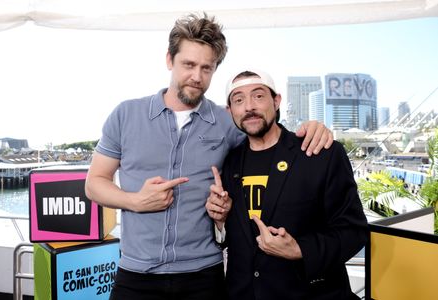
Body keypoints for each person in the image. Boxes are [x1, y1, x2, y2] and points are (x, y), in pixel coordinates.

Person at [85, 13, 333, 300]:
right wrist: (135, 201)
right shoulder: (126, 114)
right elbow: (94, 183)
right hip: (136, 275)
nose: (197, 77)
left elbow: (270, 139)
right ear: (169, 59)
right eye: (188, 64)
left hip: (204, 276)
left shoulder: (227, 121)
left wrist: (313, 128)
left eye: (207, 68)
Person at [206, 69, 368, 300]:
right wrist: (220, 222)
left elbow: (354, 231)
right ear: (230, 111)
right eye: (239, 99)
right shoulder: (229, 162)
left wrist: (300, 250)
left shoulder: (319, 153)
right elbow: (237, 239)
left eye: (259, 96)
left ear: (276, 100)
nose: (249, 106)